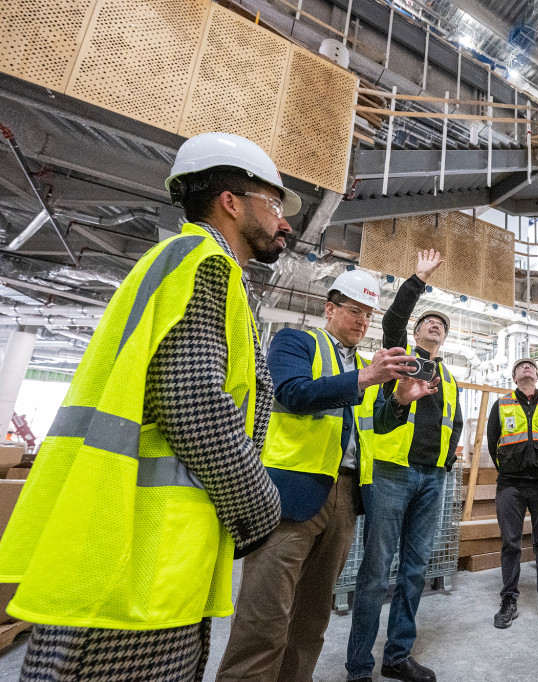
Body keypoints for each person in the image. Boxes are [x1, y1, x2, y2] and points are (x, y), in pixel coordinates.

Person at [0, 132, 295, 680]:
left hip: (137, 543)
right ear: (231, 202)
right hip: (138, 552)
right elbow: (196, 406)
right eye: (274, 205)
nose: (285, 223)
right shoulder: (204, 263)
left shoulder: (186, 264)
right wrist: (262, 509)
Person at [216, 267, 417, 681]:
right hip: (291, 493)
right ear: (330, 308)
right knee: (265, 618)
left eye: (368, 315)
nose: (362, 321)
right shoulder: (296, 341)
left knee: (312, 619)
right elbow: (290, 393)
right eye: (354, 311)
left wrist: (398, 400)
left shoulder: (363, 365)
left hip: (344, 498)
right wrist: (365, 377)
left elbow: (373, 424)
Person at [345, 251, 462, 682]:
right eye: (430, 322)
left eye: (442, 325)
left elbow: (457, 424)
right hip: (391, 476)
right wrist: (417, 280)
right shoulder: (401, 360)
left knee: (415, 571)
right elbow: (392, 321)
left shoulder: (448, 378)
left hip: (432, 480)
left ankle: (396, 657)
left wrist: (447, 462)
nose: (437, 325)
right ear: (415, 331)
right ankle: (358, 668)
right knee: (375, 574)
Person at [487, 357, 538, 631]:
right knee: (510, 544)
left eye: (531, 366)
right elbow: (492, 441)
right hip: (510, 484)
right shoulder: (501, 405)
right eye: (521, 366)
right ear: (514, 376)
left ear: (537, 374)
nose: (526, 368)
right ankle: (509, 600)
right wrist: (510, 467)